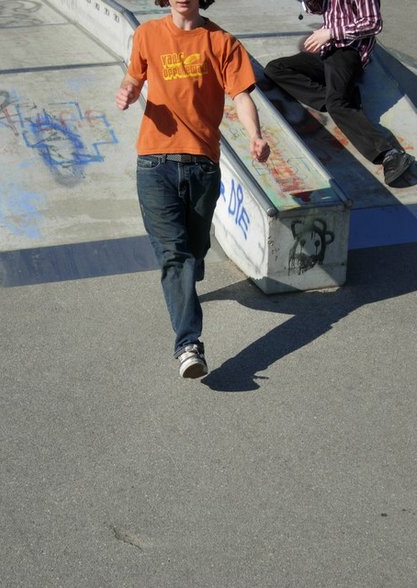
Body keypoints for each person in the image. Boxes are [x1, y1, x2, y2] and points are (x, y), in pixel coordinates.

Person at [115, 0, 270, 379]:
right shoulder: (148, 34)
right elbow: (133, 77)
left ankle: (191, 271)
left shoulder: (221, 42)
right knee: (174, 253)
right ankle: (188, 343)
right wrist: (128, 92)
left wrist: (256, 134)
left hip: (202, 165)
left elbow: (242, 95)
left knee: (195, 248)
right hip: (154, 163)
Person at [264, 0, 414, 186]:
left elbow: (373, 22)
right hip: (326, 53)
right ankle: (338, 97)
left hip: (348, 53)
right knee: (275, 68)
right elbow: (317, 8)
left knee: (337, 104)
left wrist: (330, 32)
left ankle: (389, 154)